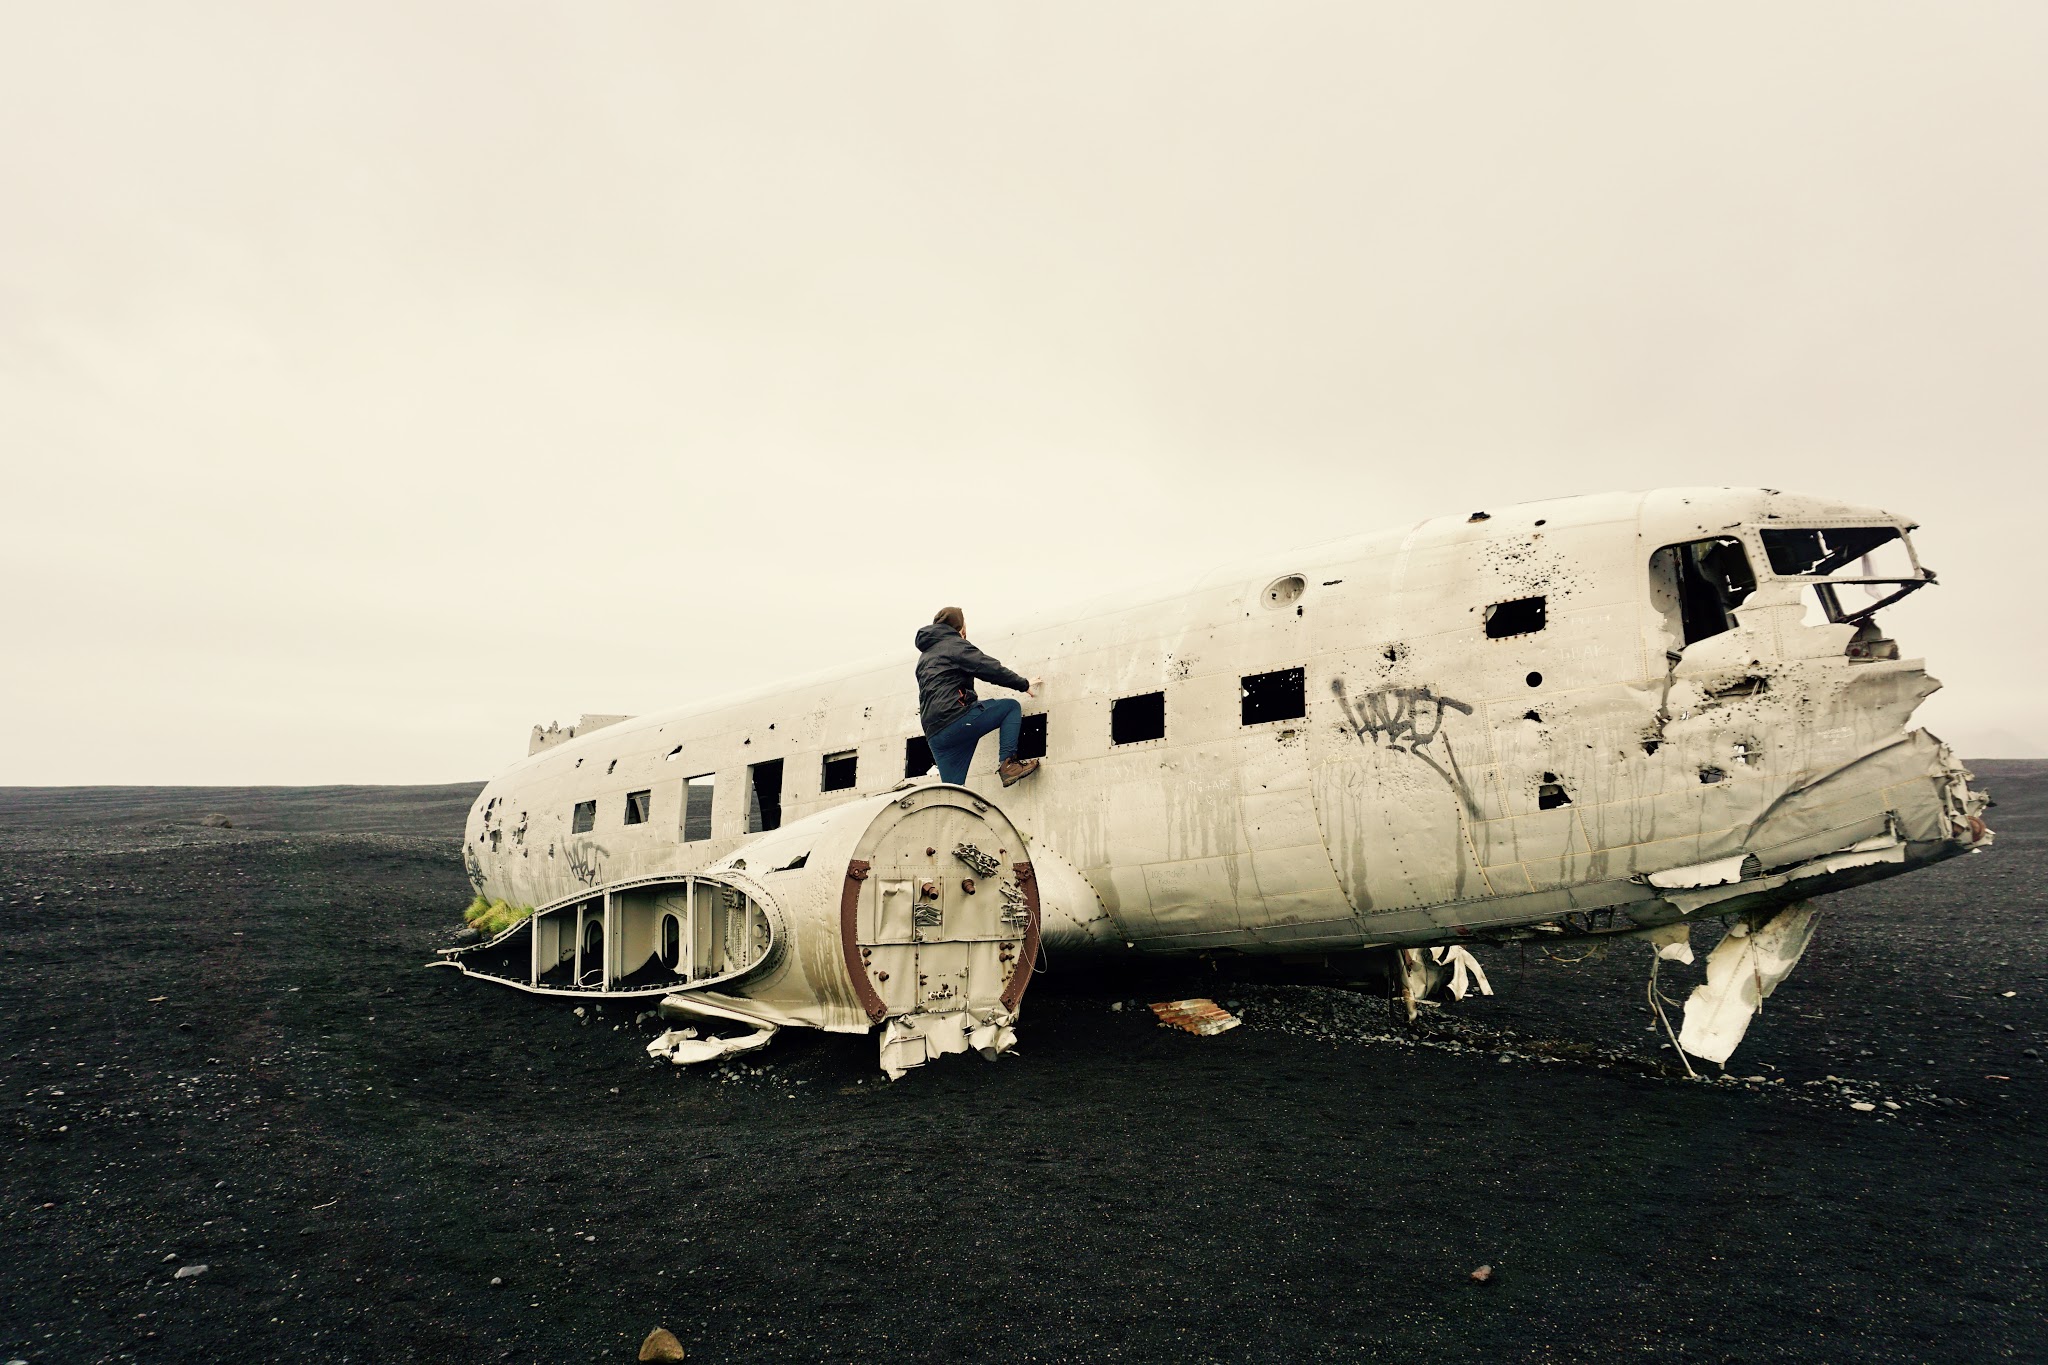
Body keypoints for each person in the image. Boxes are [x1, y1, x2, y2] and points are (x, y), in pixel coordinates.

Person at [913, 607, 1043, 786]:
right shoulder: (954, 645)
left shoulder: (925, 657)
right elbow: (987, 668)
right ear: (959, 626)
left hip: (935, 734)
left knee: (953, 793)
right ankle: (1009, 765)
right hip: (956, 719)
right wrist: (1023, 684)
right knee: (1010, 707)